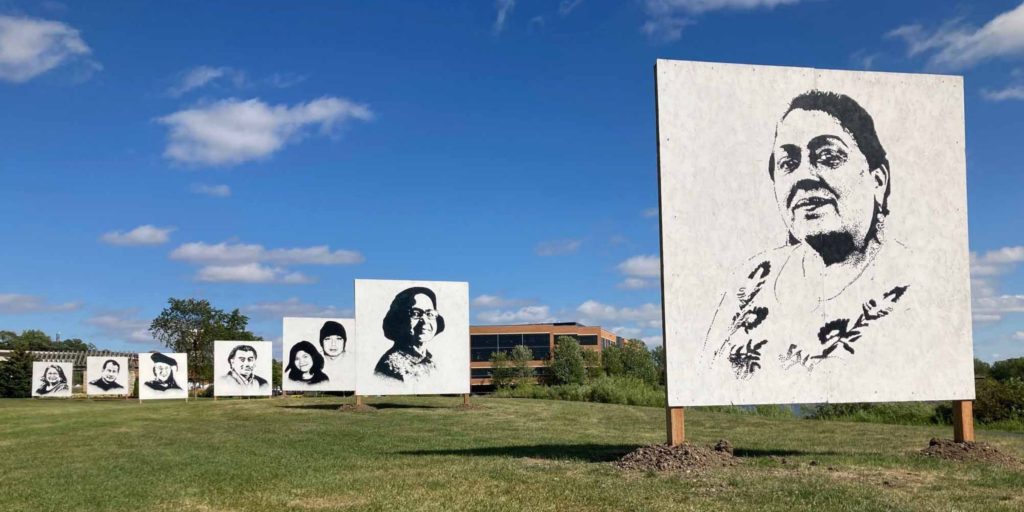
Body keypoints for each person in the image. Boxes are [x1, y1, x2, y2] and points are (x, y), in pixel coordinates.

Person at [703, 90, 912, 379]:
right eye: (787, 163)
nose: (803, 176)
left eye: (829, 156)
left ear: (878, 180)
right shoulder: (750, 279)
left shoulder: (913, 280)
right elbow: (706, 372)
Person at [374, 287, 446, 381]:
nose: (425, 320)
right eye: (416, 313)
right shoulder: (390, 366)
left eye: (430, 314)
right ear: (400, 319)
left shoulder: (431, 362)